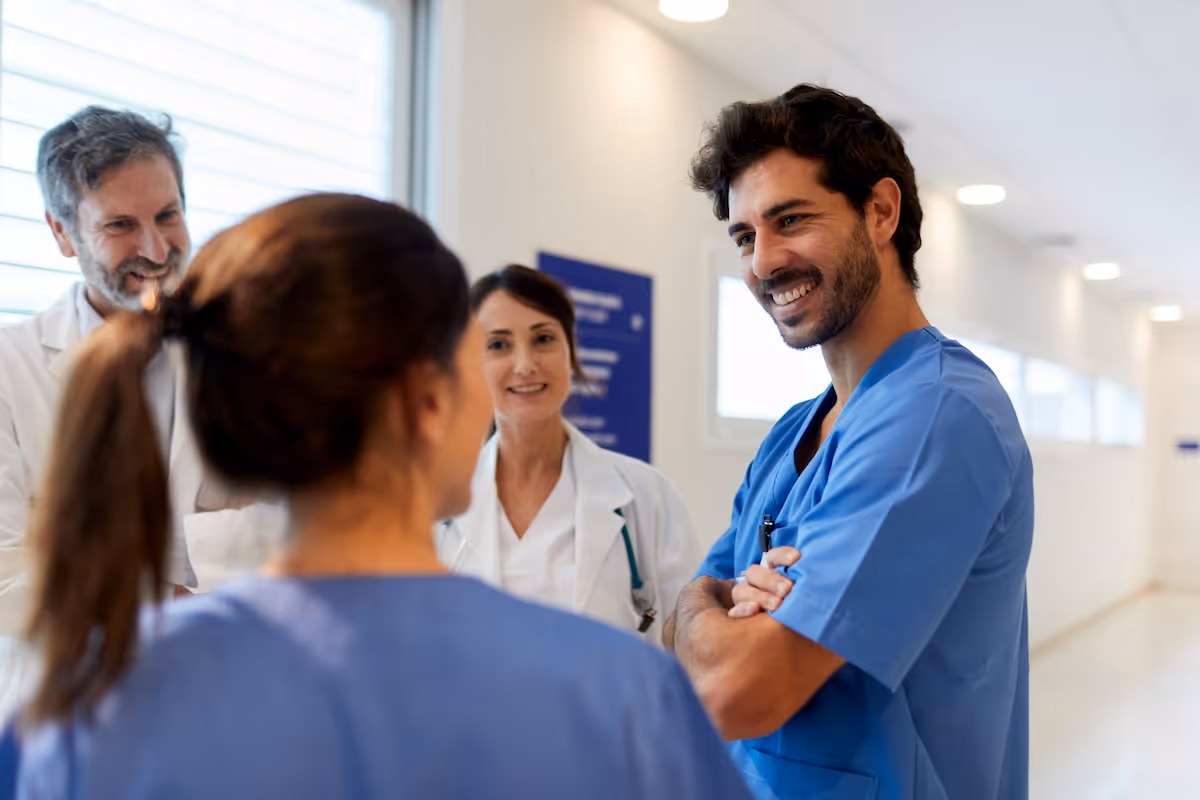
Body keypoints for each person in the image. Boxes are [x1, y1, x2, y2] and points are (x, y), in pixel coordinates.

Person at [10, 194, 752, 800]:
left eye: (542, 340)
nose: (515, 371)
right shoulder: (623, 699)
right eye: (481, 354)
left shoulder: (81, 707)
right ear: (429, 403)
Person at [665, 85, 1034, 799]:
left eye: (791, 220)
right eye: (745, 237)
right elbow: (686, 634)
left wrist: (708, 613)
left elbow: (736, 690)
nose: (764, 262)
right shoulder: (793, 434)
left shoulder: (936, 415)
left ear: (881, 212)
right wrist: (702, 608)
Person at [0, 107, 283, 717]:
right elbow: (4, 577)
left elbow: (290, 529)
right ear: (61, 232)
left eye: (168, 215)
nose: (155, 249)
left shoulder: (249, 354)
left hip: (214, 701)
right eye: (121, 225)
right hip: (67, 709)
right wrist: (185, 577)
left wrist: (108, 565)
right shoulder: (8, 367)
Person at [437, 265, 699, 645]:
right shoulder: (438, 506)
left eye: (543, 338)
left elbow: (689, 647)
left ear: (570, 350)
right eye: (498, 344)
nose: (525, 364)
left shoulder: (646, 496)